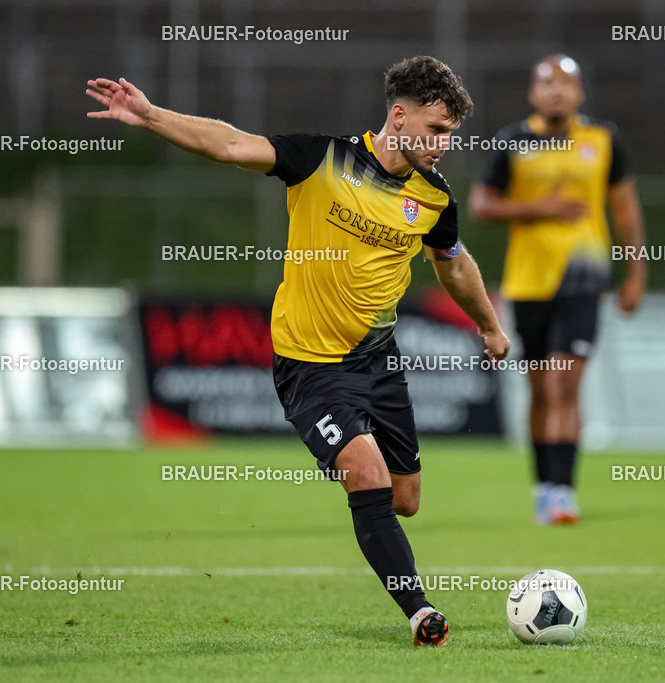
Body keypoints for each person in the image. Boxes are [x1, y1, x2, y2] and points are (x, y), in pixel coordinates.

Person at [86, 55, 509, 646]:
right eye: (436, 130)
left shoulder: (433, 196)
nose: (443, 146)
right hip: (311, 364)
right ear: (399, 116)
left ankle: (371, 502)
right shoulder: (322, 159)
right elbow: (231, 145)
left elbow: (453, 263)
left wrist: (488, 326)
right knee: (365, 474)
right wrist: (151, 114)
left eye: (451, 135)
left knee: (404, 499)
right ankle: (420, 612)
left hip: (379, 360)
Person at [468, 54, 645, 525]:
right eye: (546, 82)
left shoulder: (603, 140)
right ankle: (543, 486)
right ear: (533, 92)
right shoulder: (513, 142)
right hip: (527, 283)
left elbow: (626, 211)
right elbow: (481, 203)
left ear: (579, 93)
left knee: (565, 382)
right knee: (541, 390)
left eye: (566, 82)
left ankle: (563, 492)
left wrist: (636, 273)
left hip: (584, 280)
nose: (556, 90)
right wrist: (539, 207)